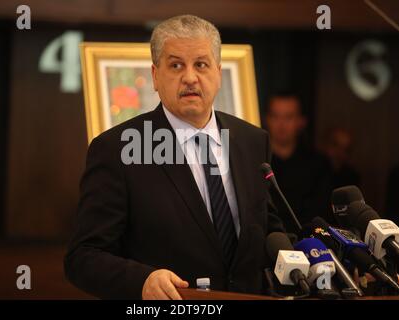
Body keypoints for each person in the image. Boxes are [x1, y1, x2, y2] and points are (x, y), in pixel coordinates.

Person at [64, 15, 284, 300]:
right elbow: (82, 257)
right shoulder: (118, 149)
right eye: (176, 65)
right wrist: (142, 281)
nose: (190, 77)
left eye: (201, 65)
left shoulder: (252, 142)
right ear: (155, 76)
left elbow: (270, 233)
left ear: (218, 73)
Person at [265, 92, 333, 233]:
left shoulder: (318, 164)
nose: (281, 124)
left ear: (301, 121)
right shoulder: (257, 162)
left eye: (288, 117)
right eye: (275, 116)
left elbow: (321, 213)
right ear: (267, 119)